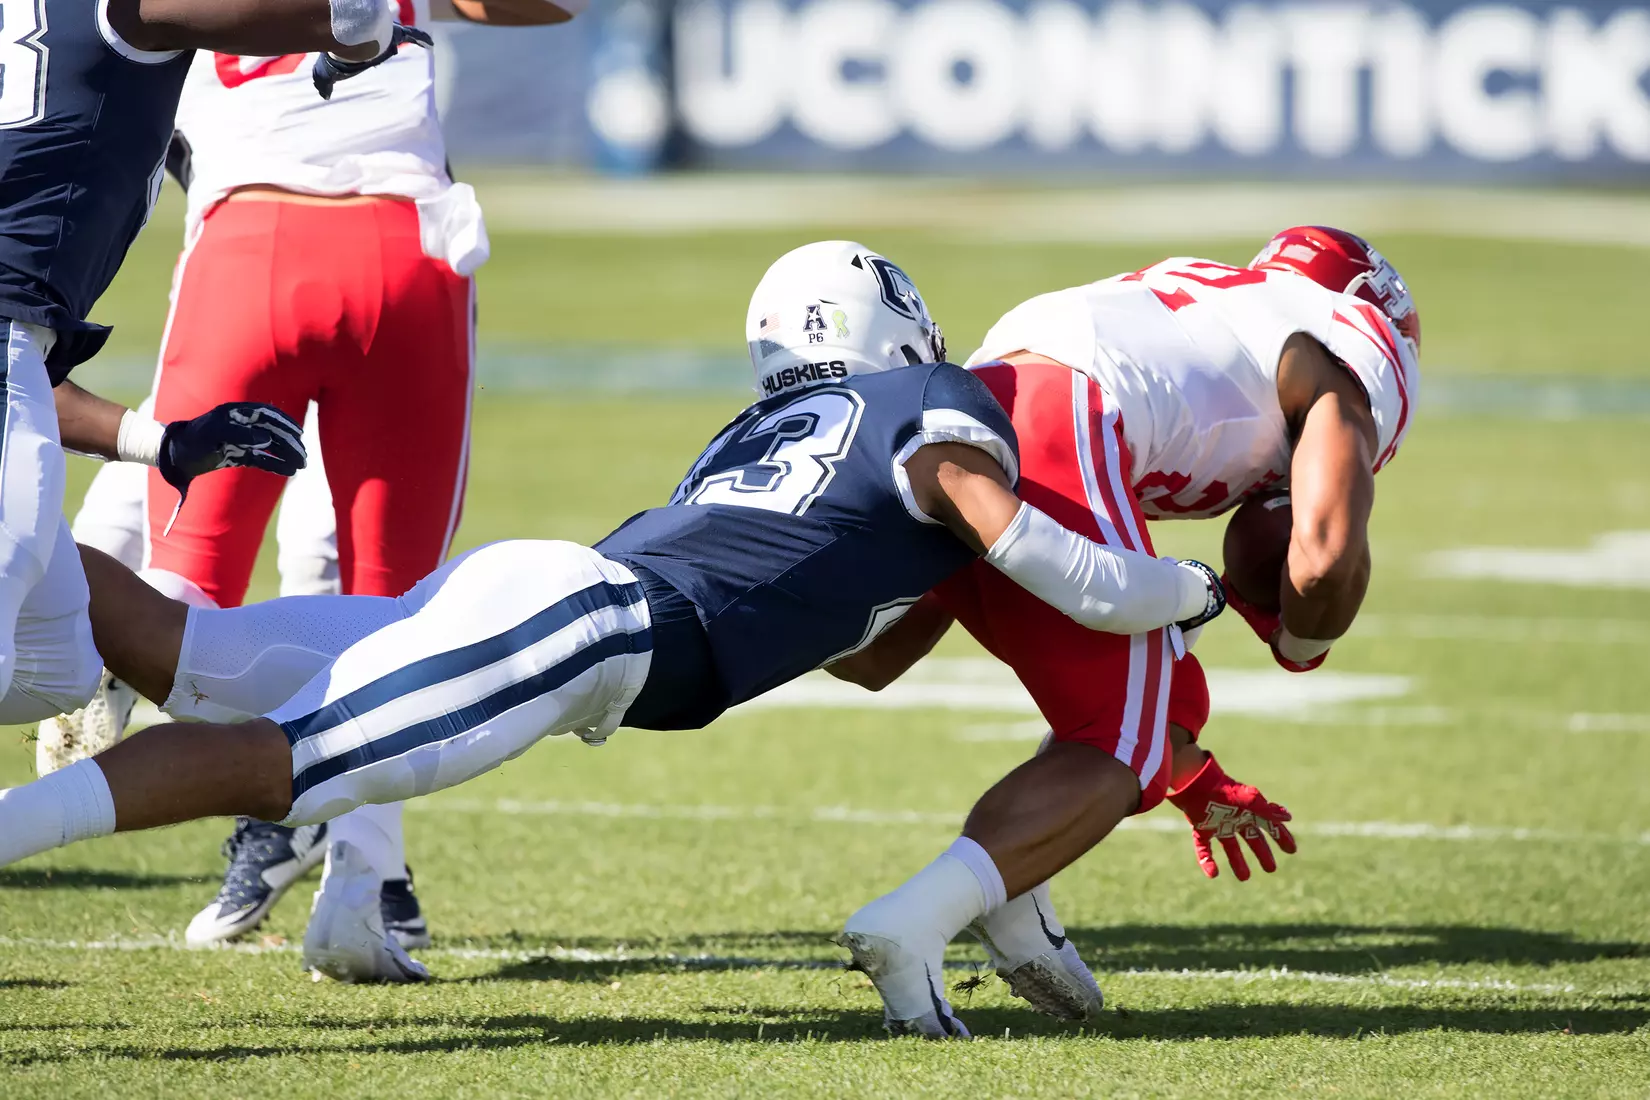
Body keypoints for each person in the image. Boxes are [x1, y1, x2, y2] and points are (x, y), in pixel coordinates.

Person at [0, 243, 1228, 983]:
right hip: (585, 627)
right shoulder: (932, 400)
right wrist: (1198, 588)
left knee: (188, 653)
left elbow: (864, 650)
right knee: (282, 764)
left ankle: (22, 532)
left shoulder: (760, 429)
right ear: (894, 329)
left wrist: (960, 579)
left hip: (537, 593)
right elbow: (1056, 564)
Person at [39, 0, 584, 982]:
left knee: (183, 589)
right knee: (397, 616)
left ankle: (120, 712)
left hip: (252, 242)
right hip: (407, 247)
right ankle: (363, 883)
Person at [832, 226, 1422, 1037]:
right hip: (1061, 412)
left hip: (973, 406)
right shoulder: (1334, 352)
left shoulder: (1217, 305)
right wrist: (1300, 644)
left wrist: (1189, 768)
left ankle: (1013, 902)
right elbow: (1319, 566)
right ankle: (915, 921)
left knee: (884, 649)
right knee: (1121, 742)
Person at [0, 0, 428, 739]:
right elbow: (347, 15)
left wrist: (160, 445)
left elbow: (26, 382)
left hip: (18, 352)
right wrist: (374, 38)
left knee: (54, 665)